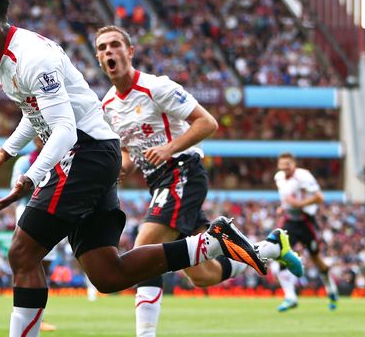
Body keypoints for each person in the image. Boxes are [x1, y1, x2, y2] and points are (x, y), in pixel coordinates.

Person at [0, 0, 266, 337]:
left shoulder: (32, 56)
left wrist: (29, 178)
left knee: (23, 252)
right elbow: (34, 112)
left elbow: (65, 130)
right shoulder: (1, 62)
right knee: (107, 274)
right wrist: (7, 151)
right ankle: (213, 242)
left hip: (84, 152)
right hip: (92, 155)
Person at [95, 25, 304, 336]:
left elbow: (207, 122)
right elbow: (127, 148)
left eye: (115, 45)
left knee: (144, 246)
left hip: (183, 170)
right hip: (158, 182)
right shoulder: (108, 105)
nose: (109, 51)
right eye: (102, 48)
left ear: (130, 52)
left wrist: (168, 148)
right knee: (203, 275)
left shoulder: (157, 87)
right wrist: (122, 166)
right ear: (99, 58)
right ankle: (271, 248)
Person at [274, 152, 338, 311]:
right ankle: (290, 297)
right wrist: (284, 207)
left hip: (306, 221)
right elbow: (287, 198)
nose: (284, 168)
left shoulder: (303, 176)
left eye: (287, 164)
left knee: (316, 259)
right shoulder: (279, 178)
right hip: (290, 221)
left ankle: (331, 289)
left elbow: (319, 197)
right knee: (280, 254)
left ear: (293, 164)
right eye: (282, 165)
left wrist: (299, 204)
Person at [10, 137, 57, 332]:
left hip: (53, 211)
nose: (41, 140)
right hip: (29, 209)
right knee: (26, 258)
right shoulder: (25, 162)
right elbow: (15, 189)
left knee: (45, 262)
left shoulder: (59, 157)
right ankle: (25, 309)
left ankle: (36, 313)